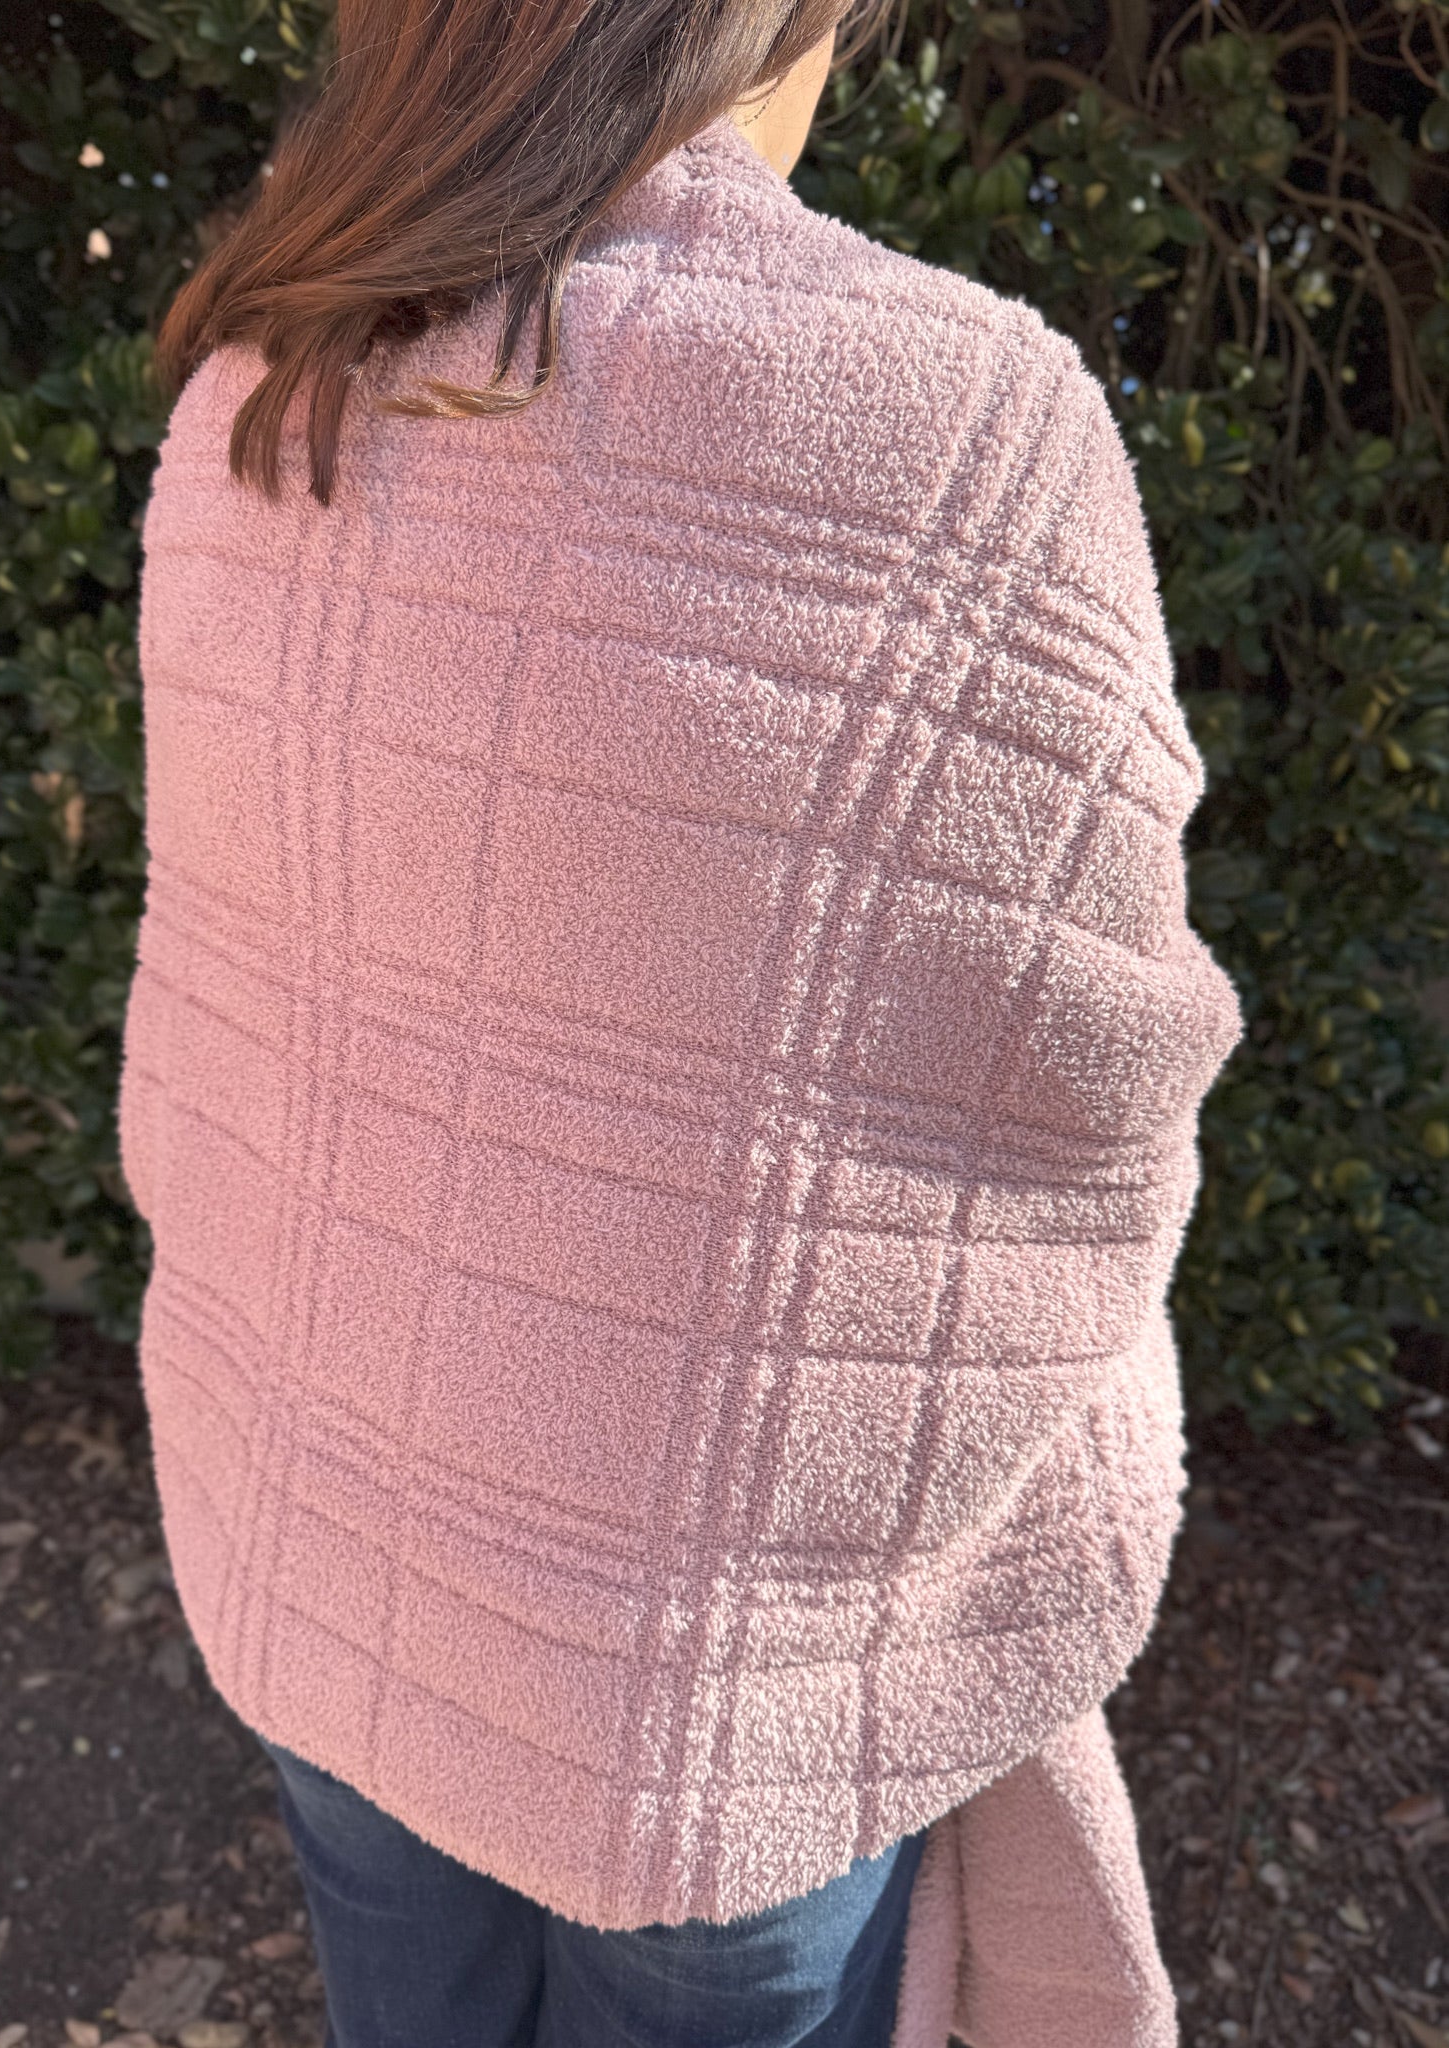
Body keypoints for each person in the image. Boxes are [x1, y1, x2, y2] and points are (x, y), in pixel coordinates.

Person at [118, 3, 1243, 2044]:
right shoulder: (963, 430)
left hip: (319, 1553)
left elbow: (230, 1023)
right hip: (708, 1694)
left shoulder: (265, 380)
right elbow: (1098, 1084)